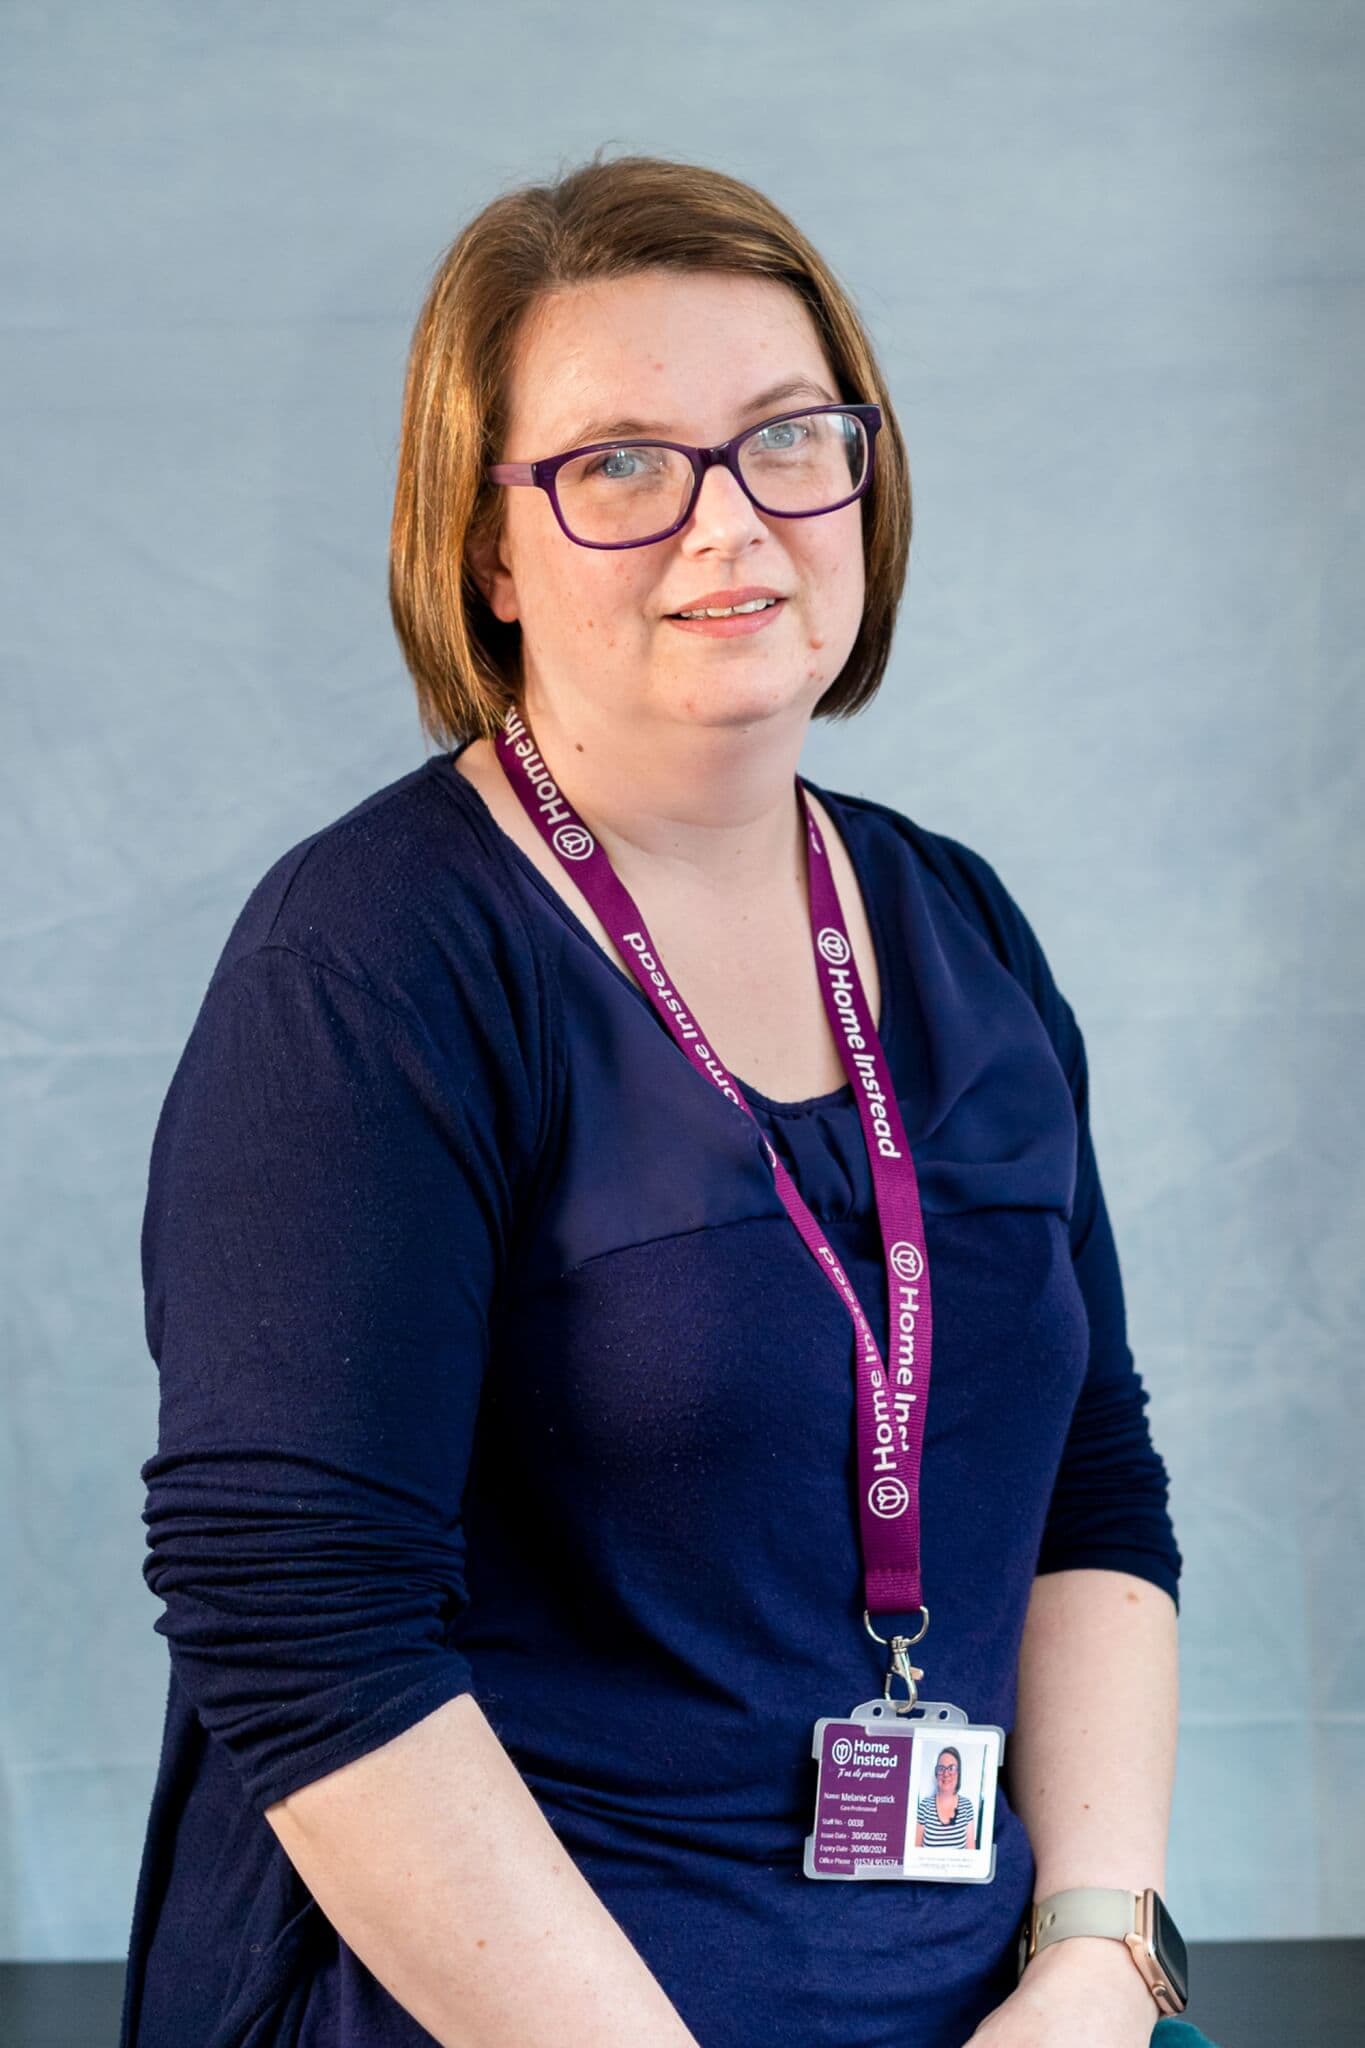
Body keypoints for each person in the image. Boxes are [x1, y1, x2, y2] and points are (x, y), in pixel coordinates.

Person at [120, 150, 1214, 2048]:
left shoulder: (957, 925)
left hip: (987, 1998)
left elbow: (1090, 1482)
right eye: (620, 464)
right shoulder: (374, 962)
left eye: (789, 436)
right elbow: (297, 1629)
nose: (733, 527)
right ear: (485, 546)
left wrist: (1101, 1959)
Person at [915, 1746, 978, 1852]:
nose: (946, 1773)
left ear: (958, 1773)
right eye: (941, 1768)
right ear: (936, 1774)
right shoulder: (924, 1806)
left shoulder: (967, 1806)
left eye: (951, 1768)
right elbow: (915, 1851)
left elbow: (971, 1851)